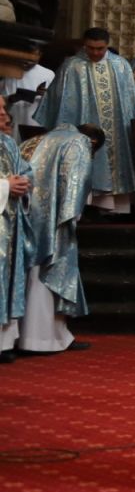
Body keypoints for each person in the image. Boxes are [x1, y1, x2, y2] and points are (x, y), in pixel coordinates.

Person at [15, 122, 103, 355]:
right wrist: (72, 216)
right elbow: (76, 182)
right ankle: (44, 339)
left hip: (22, 217)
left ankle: (20, 336)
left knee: (26, 275)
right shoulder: (79, 143)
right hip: (53, 221)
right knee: (49, 275)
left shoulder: (32, 141)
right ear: (93, 143)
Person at [37, 27, 135, 213]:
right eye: (90, 48)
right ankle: (86, 208)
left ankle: (113, 211)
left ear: (107, 45)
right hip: (83, 128)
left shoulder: (121, 65)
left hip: (116, 133)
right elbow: (58, 102)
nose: (95, 52)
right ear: (84, 45)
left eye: (100, 48)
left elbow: (132, 100)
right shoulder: (71, 66)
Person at [0, 102, 33, 362]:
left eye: (4, 108)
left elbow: (24, 169)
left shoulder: (8, 143)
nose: (4, 114)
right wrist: (5, 186)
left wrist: (24, 182)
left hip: (10, 222)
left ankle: (4, 342)